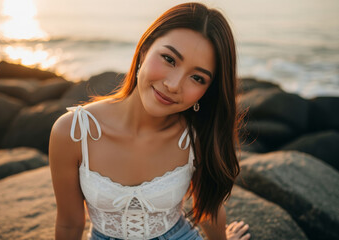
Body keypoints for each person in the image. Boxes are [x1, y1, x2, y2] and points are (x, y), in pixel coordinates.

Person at [49, 2, 250, 240]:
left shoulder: (196, 136)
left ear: (208, 90)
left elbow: (209, 208)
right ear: (144, 49)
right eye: (169, 59)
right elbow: (69, 225)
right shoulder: (73, 131)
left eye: (197, 77)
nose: (173, 85)